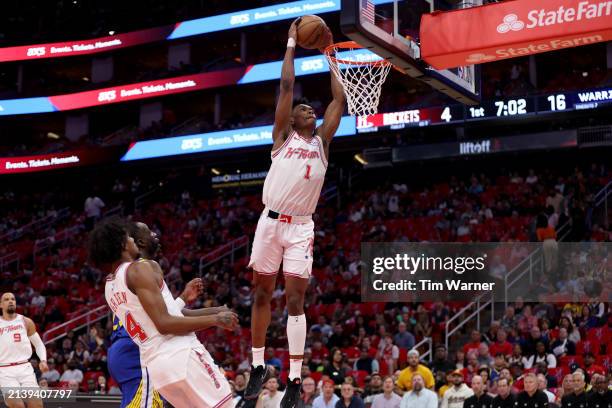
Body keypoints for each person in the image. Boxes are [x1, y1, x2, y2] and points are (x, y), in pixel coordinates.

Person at [245, 17, 345, 408]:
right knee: (260, 294)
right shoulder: (281, 138)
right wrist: (290, 43)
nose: (308, 109)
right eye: (302, 109)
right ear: (289, 120)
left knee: (296, 301)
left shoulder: (322, 141)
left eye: (309, 108)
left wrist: (330, 53)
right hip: (269, 222)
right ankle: (256, 366)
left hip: (301, 227)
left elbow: (338, 100)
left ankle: (294, 378)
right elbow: (286, 86)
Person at [89, 217, 239, 408]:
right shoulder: (140, 269)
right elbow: (164, 322)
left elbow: (160, 316)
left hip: (158, 368)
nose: (133, 240)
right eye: (129, 237)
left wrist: (209, 310)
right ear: (121, 244)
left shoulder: (109, 287)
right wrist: (215, 318)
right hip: (180, 353)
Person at [0, 292, 49, 408]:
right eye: (6, 299)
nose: (11, 301)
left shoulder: (26, 321)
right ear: (1, 305)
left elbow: (39, 345)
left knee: (36, 405)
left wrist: (43, 360)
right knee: (17, 405)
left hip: (25, 368)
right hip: (4, 370)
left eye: (13, 299)